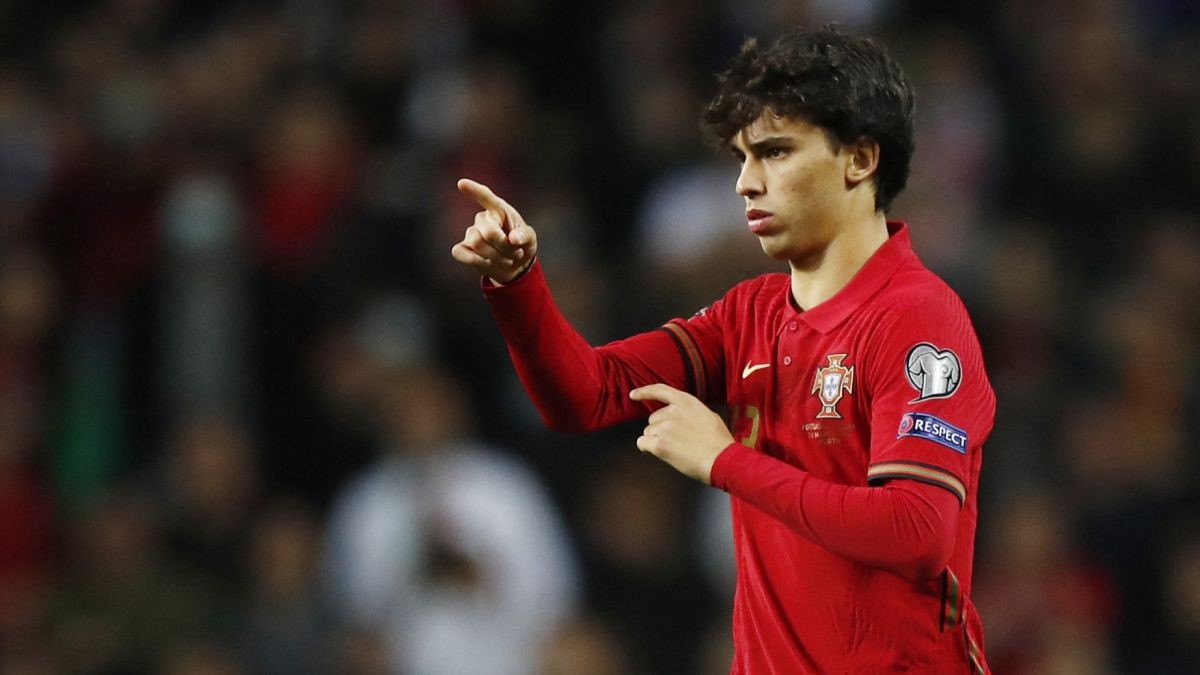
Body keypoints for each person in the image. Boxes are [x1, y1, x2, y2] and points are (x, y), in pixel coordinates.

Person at [451, 25, 994, 674]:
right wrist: (518, 284)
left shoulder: (916, 316)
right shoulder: (749, 315)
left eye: (775, 153)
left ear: (859, 159)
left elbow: (916, 531)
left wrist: (726, 461)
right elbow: (585, 395)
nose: (746, 183)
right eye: (742, 158)